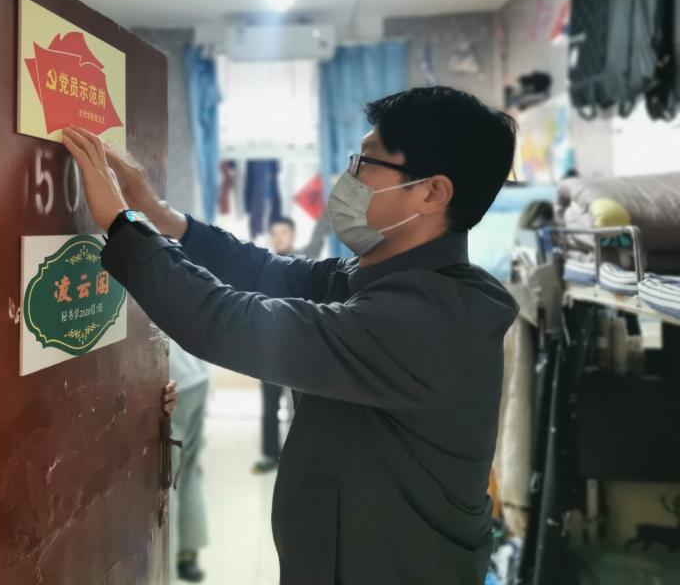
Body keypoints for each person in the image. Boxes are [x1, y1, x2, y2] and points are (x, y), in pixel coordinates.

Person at [62, 85, 519, 584]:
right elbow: (263, 271)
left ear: (432, 192)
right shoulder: (378, 278)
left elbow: (227, 321)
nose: (348, 178)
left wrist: (123, 224)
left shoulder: (433, 320)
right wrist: (160, 215)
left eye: (366, 162)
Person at [253, 217, 298, 475]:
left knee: (297, 408)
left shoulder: (305, 268)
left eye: (284, 232)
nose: (279, 237)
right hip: (269, 352)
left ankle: (294, 458)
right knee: (269, 407)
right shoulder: (265, 270)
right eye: (275, 233)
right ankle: (270, 454)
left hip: (298, 352)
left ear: (293, 235)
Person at [167, 339, 211, 582]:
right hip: (198, 375)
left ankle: (166, 560)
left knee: (169, 476)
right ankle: (188, 554)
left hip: (173, 383)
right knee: (189, 469)